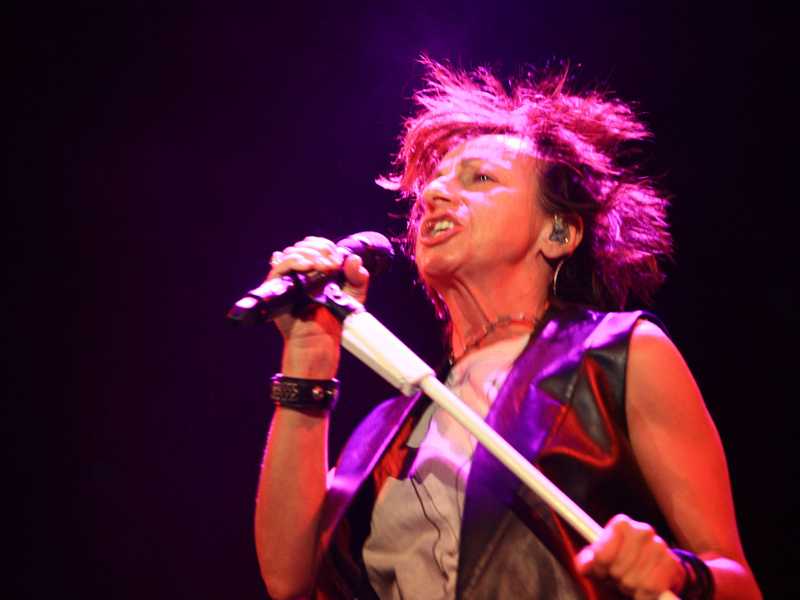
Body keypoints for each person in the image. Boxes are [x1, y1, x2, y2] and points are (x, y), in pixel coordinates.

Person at [253, 60, 761, 600]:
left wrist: (678, 575)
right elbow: (288, 578)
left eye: (480, 178)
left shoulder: (619, 354)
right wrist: (308, 355)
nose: (434, 194)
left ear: (558, 232)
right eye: (435, 182)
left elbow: (739, 582)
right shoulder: (387, 431)